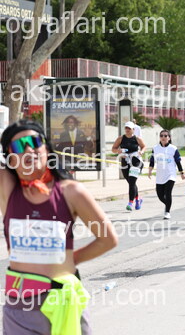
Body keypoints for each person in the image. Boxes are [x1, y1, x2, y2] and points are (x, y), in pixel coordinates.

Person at [0, 120, 117, 334]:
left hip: (64, 301)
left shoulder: (71, 192)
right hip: (20, 308)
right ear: (10, 157)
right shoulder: (6, 188)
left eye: (34, 142)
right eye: (19, 146)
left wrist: (69, 260)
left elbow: (107, 239)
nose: (29, 150)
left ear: (46, 148)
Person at [148, 129, 185, 219]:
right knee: (160, 195)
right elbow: (152, 161)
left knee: (168, 193)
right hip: (160, 176)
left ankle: (167, 212)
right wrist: (150, 171)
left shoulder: (173, 148)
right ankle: (168, 204)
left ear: (169, 138)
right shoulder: (155, 148)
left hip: (170, 175)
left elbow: (178, 162)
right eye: (161, 136)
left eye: (165, 136)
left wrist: (182, 173)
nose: (163, 137)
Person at [111, 121, 146, 211]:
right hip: (125, 161)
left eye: (129, 128)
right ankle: (138, 199)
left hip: (136, 161)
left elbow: (144, 146)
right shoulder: (120, 138)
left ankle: (130, 202)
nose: (127, 130)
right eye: (126, 128)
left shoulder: (137, 138)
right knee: (131, 182)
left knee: (132, 180)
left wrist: (141, 152)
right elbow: (113, 149)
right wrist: (118, 151)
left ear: (133, 130)